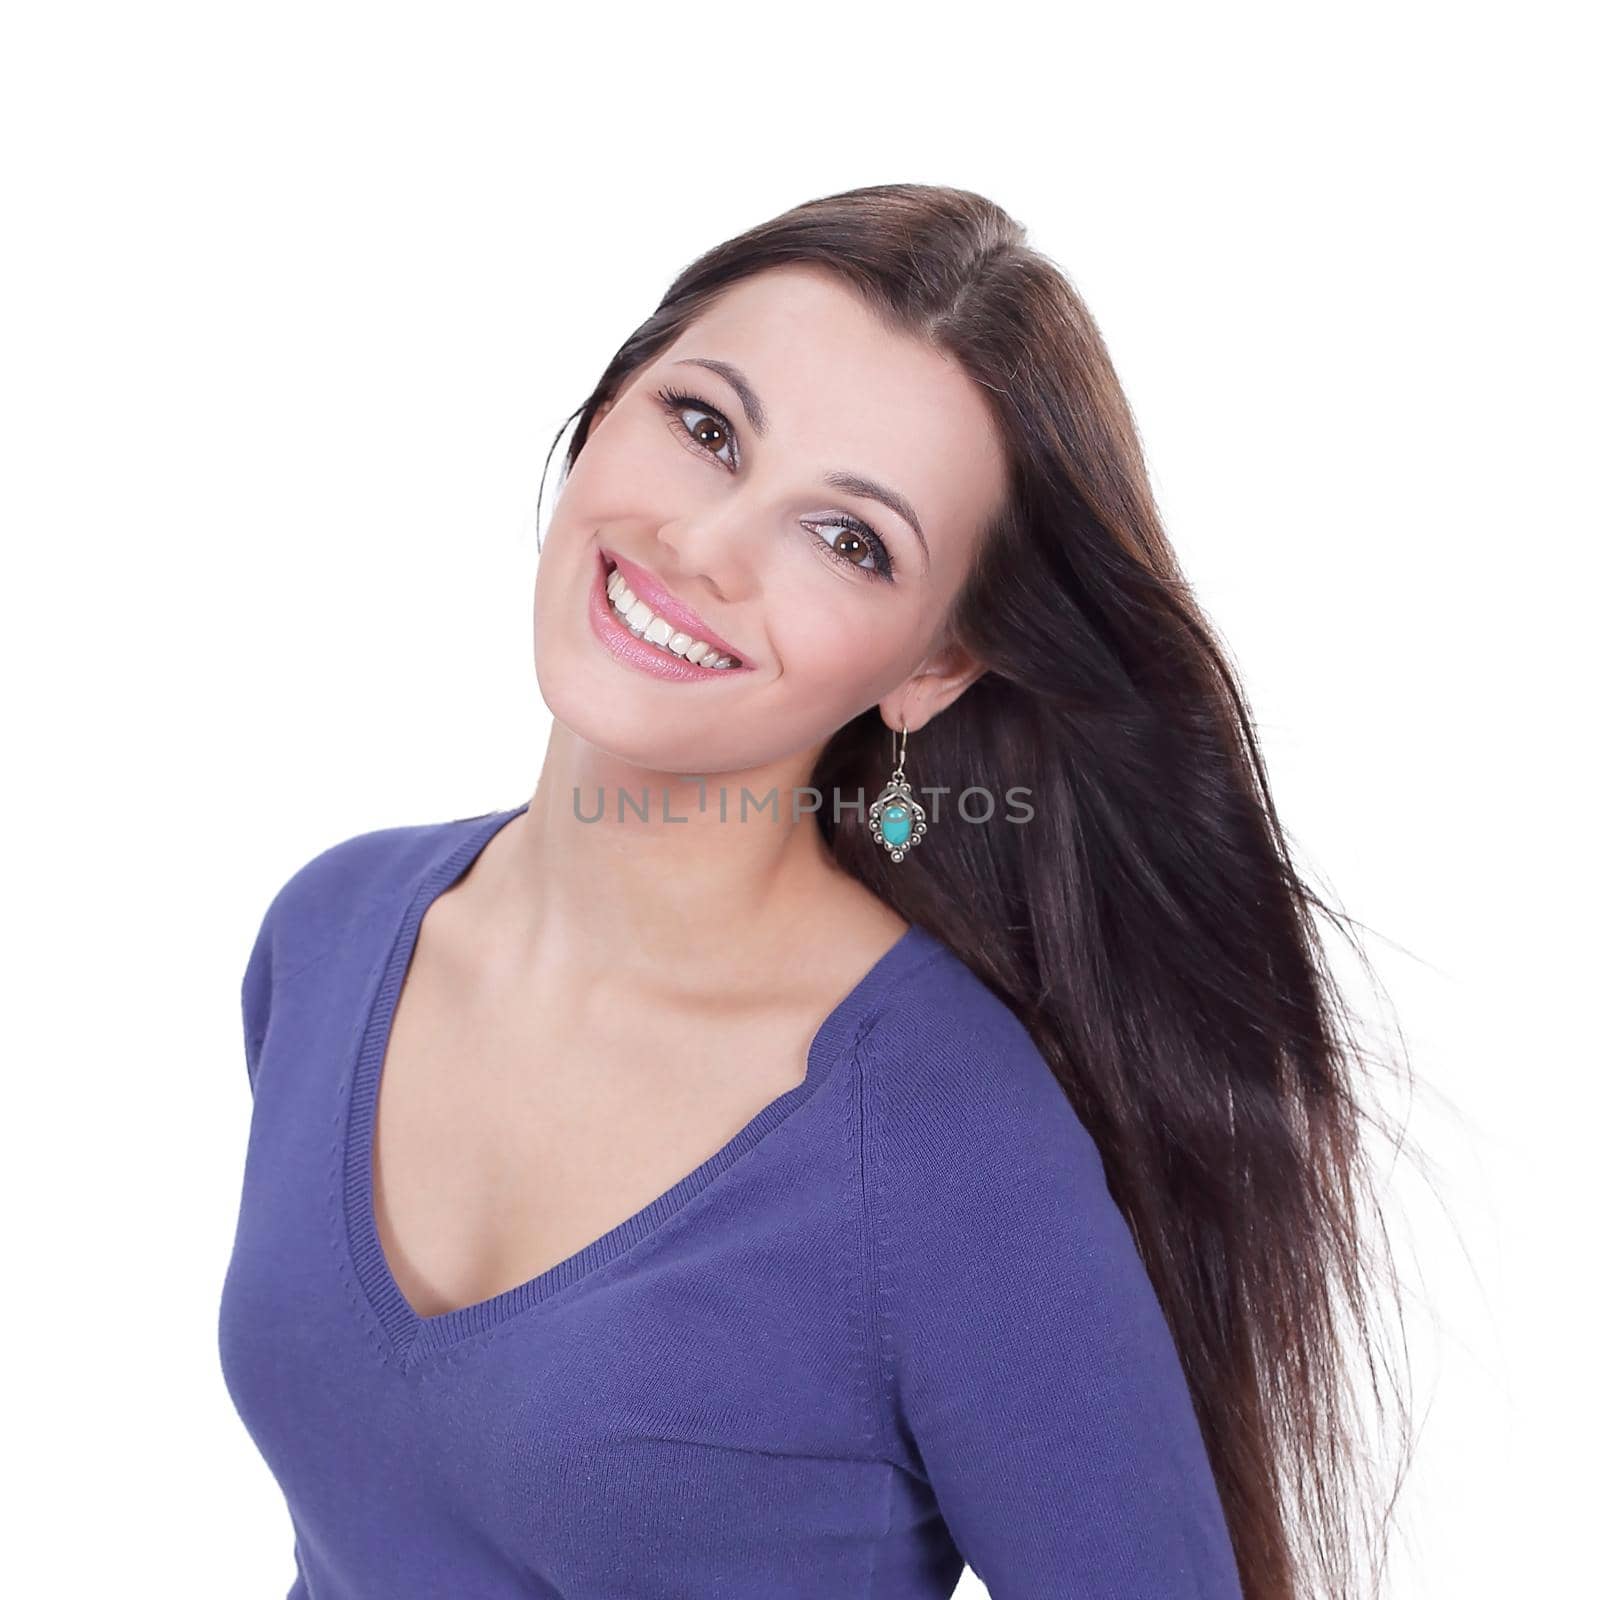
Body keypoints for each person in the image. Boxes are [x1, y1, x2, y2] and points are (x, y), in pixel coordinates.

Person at [219, 183, 1410, 1599]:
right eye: (705, 427)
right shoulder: (332, 935)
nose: (706, 547)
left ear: (931, 668)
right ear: (604, 410)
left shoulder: (946, 1143)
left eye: (848, 539)